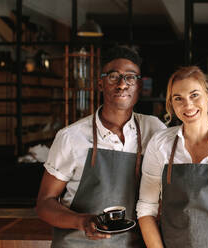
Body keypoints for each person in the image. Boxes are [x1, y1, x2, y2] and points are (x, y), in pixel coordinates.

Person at [36, 45, 166, 248]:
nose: (122, 85)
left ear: (139, 87)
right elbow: (45, 203)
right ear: (100, 84)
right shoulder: (71, 137)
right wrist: (82, 222)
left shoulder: (154, 129)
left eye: (131, 77)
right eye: (113, 76)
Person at [136, 66, 208, 248]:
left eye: (194, 95)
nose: (188, 105)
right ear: (171, 104)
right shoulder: (160, 144)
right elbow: (146, 208)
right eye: (178, 98)